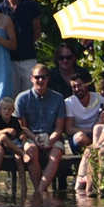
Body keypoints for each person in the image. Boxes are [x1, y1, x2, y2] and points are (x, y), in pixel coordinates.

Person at [14, 64, 69, 196]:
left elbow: (59, 128)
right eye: (37, 77)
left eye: (43, 77)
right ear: (31, 78)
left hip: (52, 136)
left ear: (48, 78)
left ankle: (40, 191)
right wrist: (35, 138)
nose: (40, 80)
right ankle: (40, 191)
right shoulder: (22, 98)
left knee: (56, 153)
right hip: (30, 136)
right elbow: (22, 127)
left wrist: (51, 140)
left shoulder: (58, 98)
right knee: (31, 150)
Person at [0, 0, 43, 94]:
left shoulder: (31, 6)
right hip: (8, 60)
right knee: (11, 98)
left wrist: (25, 44)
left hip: (28, 59)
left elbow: (37, 32)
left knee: (30, 96)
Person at [63, 68, 104, 155]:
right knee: (80, 137)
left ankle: (95, 150)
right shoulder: (69, 103)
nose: (77, 89)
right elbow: (69, 129)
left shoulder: (99, 98)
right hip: (80, 138)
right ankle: (94, 149)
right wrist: (89, 130)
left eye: (79, 85)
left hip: (98, 133)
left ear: (86, 84)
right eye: (74, 87)